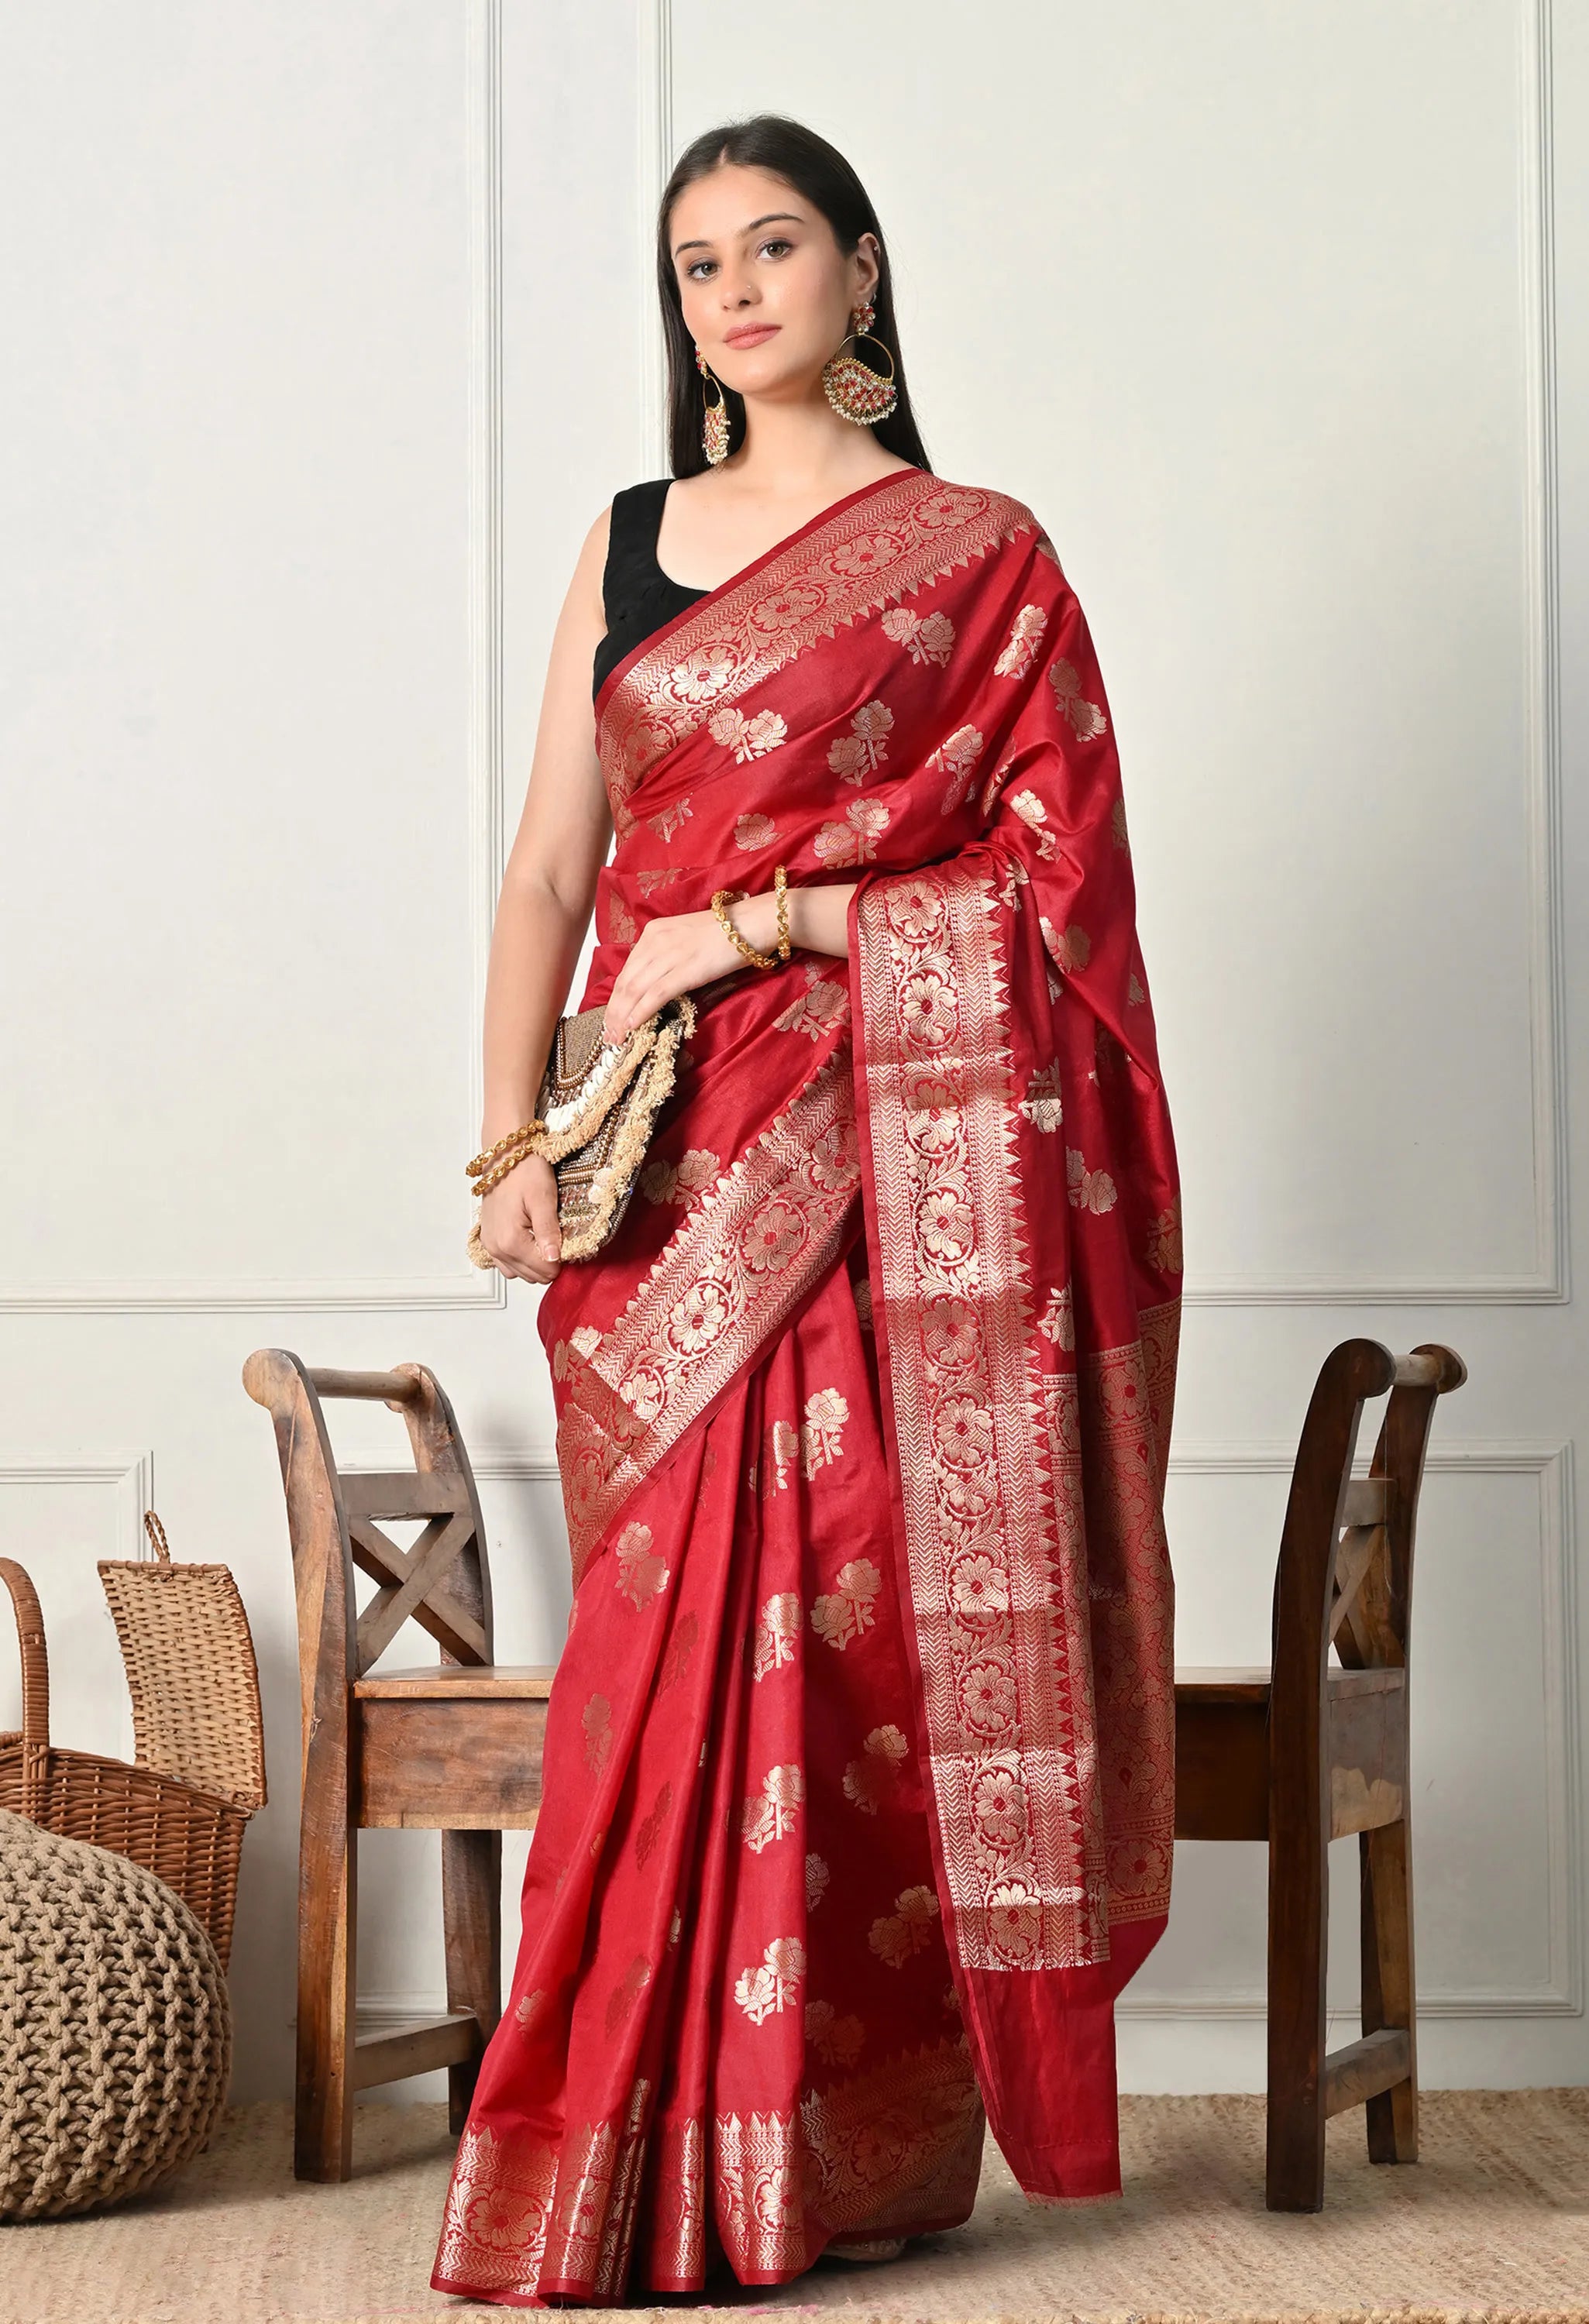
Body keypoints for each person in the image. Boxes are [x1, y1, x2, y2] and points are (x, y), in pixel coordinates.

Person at [432, 111, 1182, 2309]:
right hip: (651, 1175)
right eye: (695, 264)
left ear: (858, 277)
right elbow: (550, 876)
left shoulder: (974, 556)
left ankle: (814, 2160)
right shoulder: (625, 544)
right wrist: (507, 1143)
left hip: (872, 1158)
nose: (735, 290)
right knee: (654, 1654)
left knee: (846, 1634)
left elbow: (1053, 905)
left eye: (775, 248)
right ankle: (613, 2156)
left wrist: (752, 917)